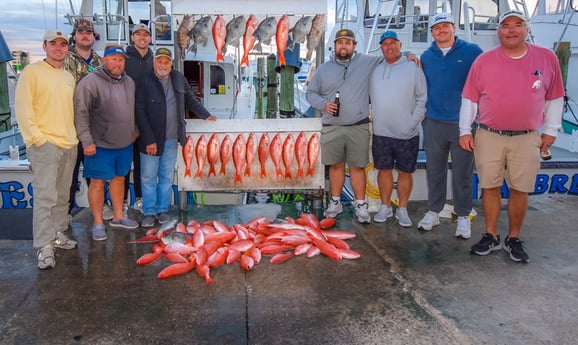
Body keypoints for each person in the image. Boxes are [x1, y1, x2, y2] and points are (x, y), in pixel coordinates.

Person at [459, 10, 565, 263]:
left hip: (527, 137)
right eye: (505, 25)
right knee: (490, 186)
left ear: (526, 29)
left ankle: (514, 237)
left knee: (520, 189)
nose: (511, 30)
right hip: (489, 135)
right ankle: (491, 235)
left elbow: (555, 97)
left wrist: (551, 130)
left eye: (518, 24)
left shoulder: (547, 58)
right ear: (499, 32)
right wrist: (464, 130)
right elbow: (470, 98)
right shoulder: (483, 61)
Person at [306, 29, 419, 224]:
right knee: (336, 166)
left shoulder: (367, 62)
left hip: (358, 126)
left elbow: (390, 54)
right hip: (332, 126)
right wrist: (324, 104)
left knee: (358, 167)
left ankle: (361, 204)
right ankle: (335, 202)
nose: (344, 46)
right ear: (334, 46)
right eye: (340, 42)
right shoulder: (323, 68)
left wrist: (409, 54)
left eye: (348, 43)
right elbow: (310, 93)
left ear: (354, 46)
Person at [15, 30, 79, 269]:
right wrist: (37, 139)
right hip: (45, 146)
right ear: (44, 46)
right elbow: (23, 109)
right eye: (54, 43)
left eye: (63, 44)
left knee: (62, 196)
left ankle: (58, 234)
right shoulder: (31, 72)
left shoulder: (68, 76)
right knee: (45, 197)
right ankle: (43, 245)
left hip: (69, 143)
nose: (59, 48)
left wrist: (74, 138)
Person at [418, 13, 483, 238]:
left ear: (454, 27)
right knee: (434, 170)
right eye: (437, 27)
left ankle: (463, 215)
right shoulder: (426, 56)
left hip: (463, 124)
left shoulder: (473, 52)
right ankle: (434, 211)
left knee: (463, 172)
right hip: (433, 122)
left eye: (445, 26)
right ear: (432, 32)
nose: (441, 30)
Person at [136, 48, 217, 227]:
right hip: (150, 141)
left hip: (172, 138)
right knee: (148, 177)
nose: (163, 65)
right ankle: (149, 212)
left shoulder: (179, 78)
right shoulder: (144, 80)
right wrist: (149, 139)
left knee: (166, 176)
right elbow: (139, 111)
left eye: (166, 62)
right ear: (154, 62)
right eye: (159, 61)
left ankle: (162, 210)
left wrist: (206, 115)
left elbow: (190, 99)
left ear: (171, 63)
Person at [75, 45, 140, 241]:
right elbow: (81, 114)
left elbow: (132, 109)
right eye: (113, 59)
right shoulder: (89, 83)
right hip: (99, 144)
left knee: (120, 178)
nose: (117, 63)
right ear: (104, 60)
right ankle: (97, 222)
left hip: (124, 143)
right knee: (97, 183)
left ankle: (118, 216)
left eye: (121, 60)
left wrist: (134, 130)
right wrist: (87, 141)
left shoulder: (129, 82)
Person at [369, 31, 427, 227]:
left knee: (405, 172)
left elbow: (422, 99)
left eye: (393, 43)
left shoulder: (413, 68)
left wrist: (413, 122)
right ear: (381, 47)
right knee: (383, 171)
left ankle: (402, 208)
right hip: (381, 132)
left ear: (400, 45)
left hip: (407, 133)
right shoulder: (375, 69)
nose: (389, 47)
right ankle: (385, 206)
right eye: (385, 44)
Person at [63, 18, 109, 221]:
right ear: (74, 36)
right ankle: (66, 211)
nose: (84, 35)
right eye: (80, 32)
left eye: (88, 32)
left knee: (95, 172)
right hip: (69, 126)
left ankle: (100, 207)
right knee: (69, 174)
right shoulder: (64, 58)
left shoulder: (100, 61)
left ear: (93, 37)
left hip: (94, 128)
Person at [122, 23, 154, 215]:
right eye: (138, 34)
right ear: (132, 37)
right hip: (126, 121)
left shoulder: (155, 60)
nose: (142, 37)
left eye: (146, 34)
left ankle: (141, 198)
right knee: (125, 164)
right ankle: (124, 200)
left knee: (143, 164)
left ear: (150, 39)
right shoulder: (124, 59)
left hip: (148, 122)